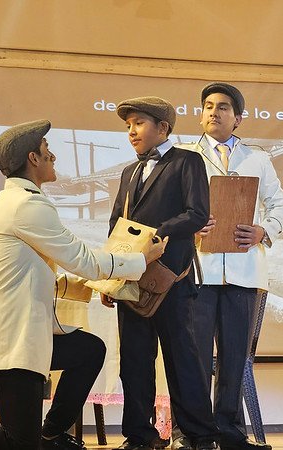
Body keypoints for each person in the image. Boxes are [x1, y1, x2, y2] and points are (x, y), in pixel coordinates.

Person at [0, 119, 168, 450]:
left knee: (89, 350)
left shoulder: (14, 202)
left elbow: (33, 273)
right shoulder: (26, 205)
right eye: (46, 149)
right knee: (20, 445)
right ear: (33, 158)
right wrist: (142, 259)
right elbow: (83, 259)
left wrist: (96, 288)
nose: (52, 156)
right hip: (13, 338)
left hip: (23, 333)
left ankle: (50, 433)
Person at [100, 97, 220, 450]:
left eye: (138, 123)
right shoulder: (129, 172)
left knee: (182, 358)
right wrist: (110, 276)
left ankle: (200, 435)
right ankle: (140, 436)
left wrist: (154, 235)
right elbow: (116, 225)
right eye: (128, 126)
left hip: (172, 278)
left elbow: (197, 214)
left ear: (163, 127)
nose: (131, 132)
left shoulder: (187, 161)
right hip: (131, 278)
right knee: (134, 360)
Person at [175, 83, 283, 450]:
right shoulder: (184, 156)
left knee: (234, 357)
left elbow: (280, 205)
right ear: (200, 115)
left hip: (244, 272)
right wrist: (190, 227)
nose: (214, 112)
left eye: (223, 107)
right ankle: (188, 432)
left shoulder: (258, 158)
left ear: (237, 118)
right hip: (197, 271)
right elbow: (170, 209)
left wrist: (263, 230)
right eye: (208, 106)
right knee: (191, 356)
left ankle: (229, 433)